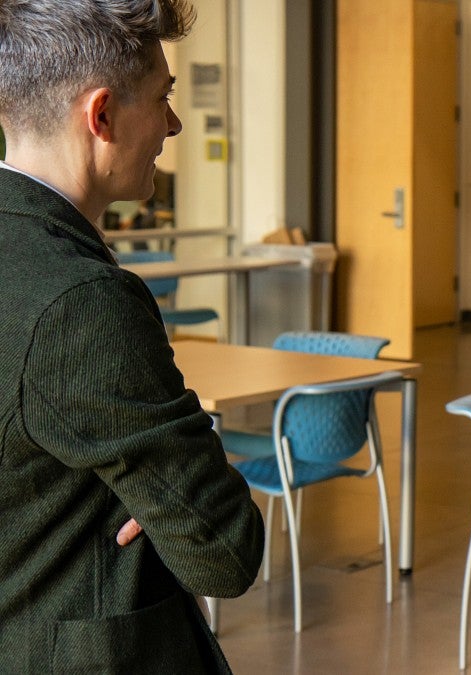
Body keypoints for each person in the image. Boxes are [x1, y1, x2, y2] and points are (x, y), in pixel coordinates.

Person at [0, 2, 264, 673]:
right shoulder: (83, 302)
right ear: (103, 117)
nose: (173, 123)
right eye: (163, 97)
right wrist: (183, 475)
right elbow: (224, 549)